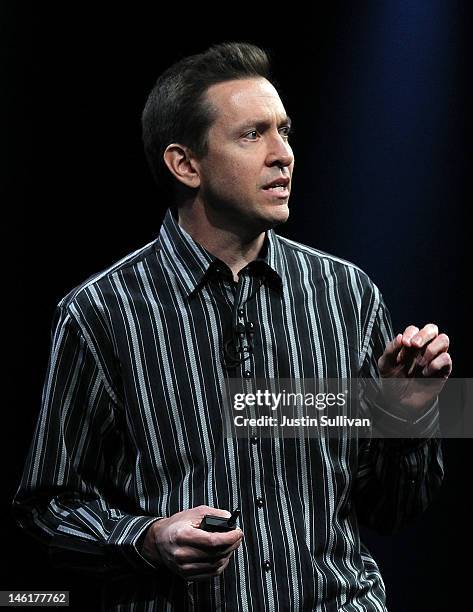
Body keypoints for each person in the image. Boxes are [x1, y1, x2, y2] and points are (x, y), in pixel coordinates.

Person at [13, 42, 452, 611]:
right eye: (252, 135)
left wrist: (408, 411)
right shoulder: (100, 312)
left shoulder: (348, 294)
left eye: (284, 130)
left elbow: (394, 511)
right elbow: (43, 506)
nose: (283, 154)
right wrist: (147, 539)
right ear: (186, 164)